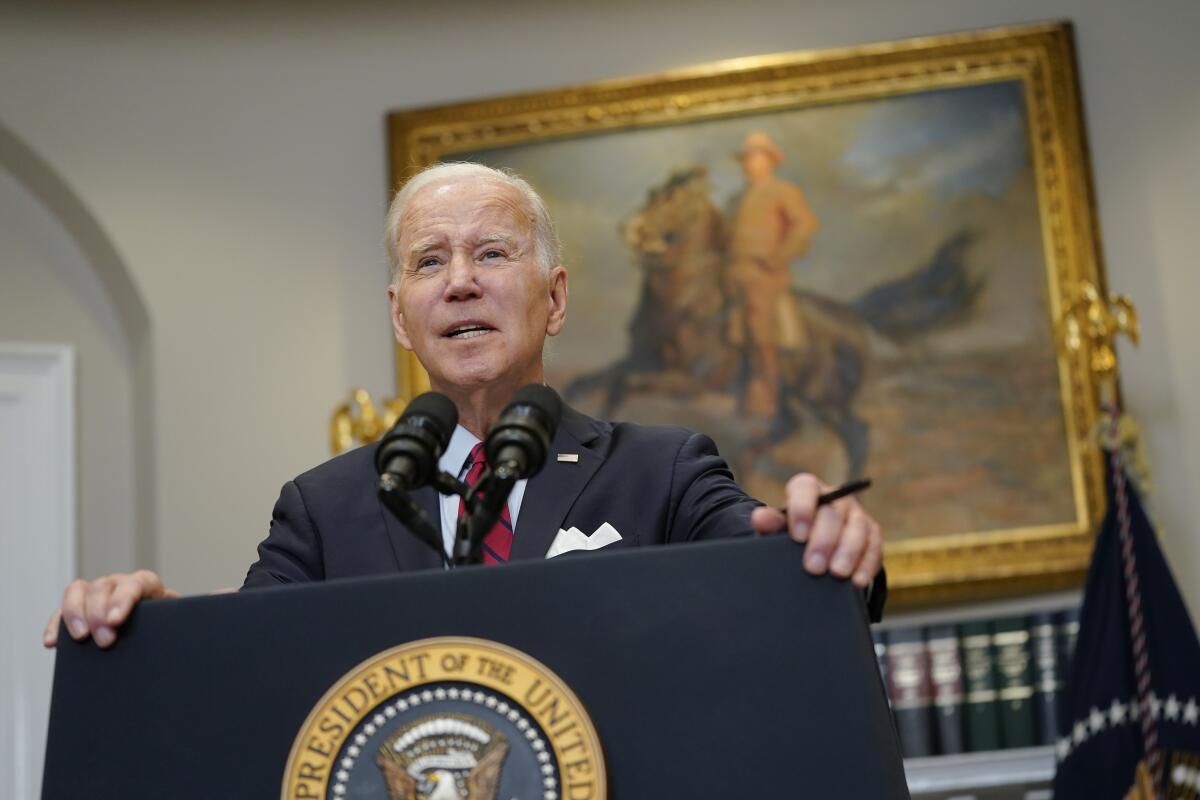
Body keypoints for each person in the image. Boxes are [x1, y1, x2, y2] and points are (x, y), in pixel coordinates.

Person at [44, 162, 883, 650]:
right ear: (400, 315)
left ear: (553, 300)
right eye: (428, 262)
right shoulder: (325, 509)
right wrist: (152, 637)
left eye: (491, 252)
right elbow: (249, 661)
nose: (460, 283)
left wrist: (828, 545)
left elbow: (772, 571)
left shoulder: (661, 471)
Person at [727, 131, 820, 417]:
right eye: (748, 158)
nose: (751, 163)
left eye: (757, 157)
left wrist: (778, 257)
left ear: (770, 161)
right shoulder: (738, 198)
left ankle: (770, 394)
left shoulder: (783, 190)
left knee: (759, 322)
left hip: (765, 274)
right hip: (736, 272)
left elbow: (805, 225)